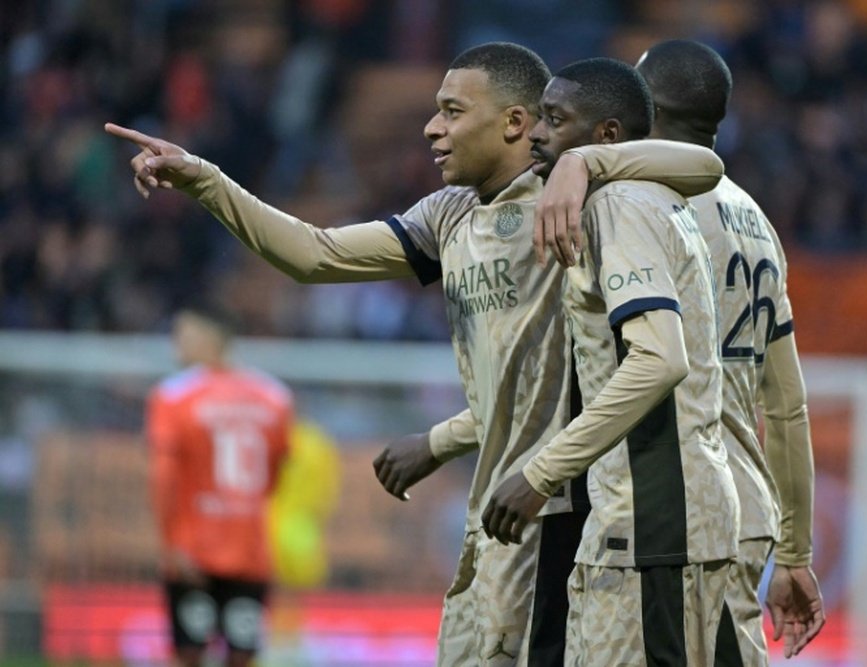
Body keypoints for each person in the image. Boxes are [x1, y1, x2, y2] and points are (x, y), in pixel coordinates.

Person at [109, 42, 723, 665]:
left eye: (453, 111)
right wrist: (205, 180)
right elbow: (314, 254)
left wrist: (587, 162)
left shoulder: (577, 196)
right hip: (496, 506)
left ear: (514, 122)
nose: (433, 127)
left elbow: (702, 166)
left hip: (566, 504)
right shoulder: (449, 213)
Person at [530, 40, 827, 662]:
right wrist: (795, 553)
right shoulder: (756, 221)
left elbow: (653, 362)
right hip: (743, 510)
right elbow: (787, 405)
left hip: (669, 509)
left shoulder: (645, 204)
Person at [481, 57, 741, 665]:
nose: (538, 134)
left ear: (607, 136)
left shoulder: (617, 206)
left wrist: (541, 471)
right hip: (674, 517)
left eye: (556, 119)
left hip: (652, 520)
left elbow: (657, 360)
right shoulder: (651, 194)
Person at [146, 302, 292, 667]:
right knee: (241, 656)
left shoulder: (173, 396)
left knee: (189, 654)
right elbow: (276, 473)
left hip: (191, 549)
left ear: (209, 339)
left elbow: (163, 477)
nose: (175, 345)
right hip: (250, 549)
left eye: (182, 335)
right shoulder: (274, 396)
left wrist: (170, 542)